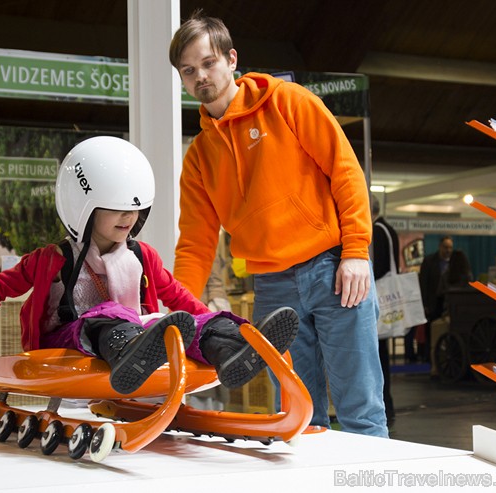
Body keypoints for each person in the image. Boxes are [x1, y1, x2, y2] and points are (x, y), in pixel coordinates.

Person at [0, 136, 299, 395]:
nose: (129, 217)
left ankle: (233, 347)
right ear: (85, 207)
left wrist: (205, 320)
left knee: (193, 321)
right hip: (70, 338)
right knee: (108, 314)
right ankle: (133, 354)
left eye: (136, 208)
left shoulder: (141, 256)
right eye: (117, 208)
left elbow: (178, 296)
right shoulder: (52, 259)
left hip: (135, 332)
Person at [168, 13, 387, 437]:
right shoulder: (198, 158)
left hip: (335, 269)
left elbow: (346, 172)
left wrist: (357, 251)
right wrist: (182, 309)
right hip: (272, 287)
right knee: (297, 418)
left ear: (232, 60)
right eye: (189, 71)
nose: (201, 77)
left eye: (208, 63)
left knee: (361, 410)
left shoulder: (287, 101)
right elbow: (195, 242)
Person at [371, 196, 398, 427]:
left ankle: (385, 405)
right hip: (390, 296)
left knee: (378, 356)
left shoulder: (377, 231)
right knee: (382, 356)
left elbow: (378, 267)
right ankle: (387, 405)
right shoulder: (388, 229)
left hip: (380, 298)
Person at [417, 235, 453, 363]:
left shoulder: (454, 263)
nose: (448, 250)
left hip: (448, 304)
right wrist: (424, 304)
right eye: (445, 247)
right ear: (440, 247)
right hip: (432, 303)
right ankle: (429, 359)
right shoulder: (429, 261)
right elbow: (423, 283)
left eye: (450, 247)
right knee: (429, 333)